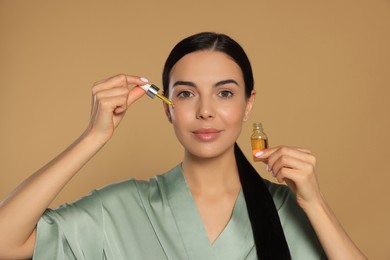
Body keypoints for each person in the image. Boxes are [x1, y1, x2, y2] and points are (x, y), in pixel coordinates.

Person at [0, 32, 366, 260]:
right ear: (167, 107)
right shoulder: (121, 208)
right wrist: (92, 137)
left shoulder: (288, 208)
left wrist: (315, 203)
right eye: (187, 94)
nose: (205, 111)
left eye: (224, 93)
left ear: (248, 104)